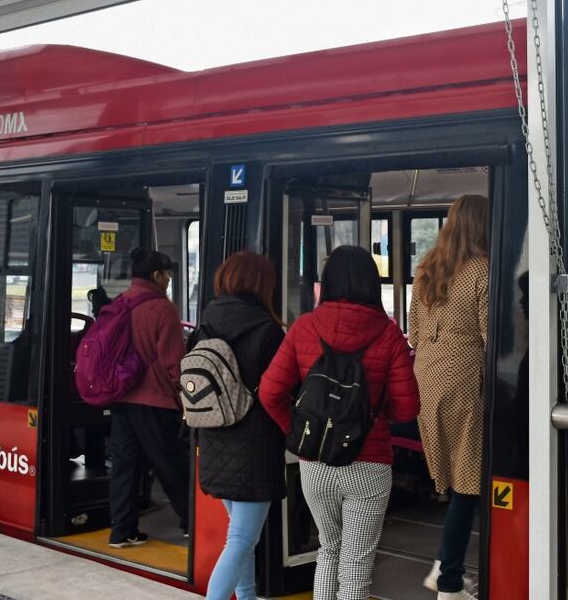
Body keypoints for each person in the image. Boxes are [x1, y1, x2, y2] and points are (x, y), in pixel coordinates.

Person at [260, 245, 419, 600]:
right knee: (356, 566)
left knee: (328, 550)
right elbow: (407, 410)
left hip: (315, 462)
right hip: (368, 463)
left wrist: (296, 430)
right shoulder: (389, 334)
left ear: (328, 281)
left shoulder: (304, 327)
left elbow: (270, 392)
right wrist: (375, 415)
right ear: (370, 283)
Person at [408, 195, 489, 600]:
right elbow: (494, 337)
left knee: (458, 481)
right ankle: (449, 580)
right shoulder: (481, 270)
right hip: (464, 381)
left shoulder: (426, 269)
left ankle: (446, 567)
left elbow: (414, 336)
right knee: (469, 484)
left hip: (427, 379)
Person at [196, 252, 286, 600]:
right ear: (263, 285)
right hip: (254, 446)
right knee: (241, 540)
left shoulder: (206, 321)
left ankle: (247, 597)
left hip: (215, 439)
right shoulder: (267, 331)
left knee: (242, 537)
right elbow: (278, 391)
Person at [107, 247, 190, 548]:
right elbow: (174, 360)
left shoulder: (122, 302)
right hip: (154, 400)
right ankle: (191, 522)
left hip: (121, 398)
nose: (168, 280)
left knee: (124, 465)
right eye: (167, 274)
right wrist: (182, 394)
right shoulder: (161, 307)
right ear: (157, 275)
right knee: (171, 463)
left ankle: (122, 531)